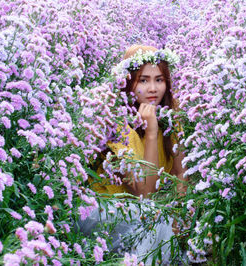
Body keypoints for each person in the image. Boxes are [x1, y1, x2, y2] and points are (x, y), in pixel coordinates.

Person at [79, 45, 187, 264]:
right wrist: (151, 131)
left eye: (159, 79)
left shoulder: (170, 115)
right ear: (127, 83)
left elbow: (180, 174)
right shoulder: (115, 121)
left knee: (165, 223)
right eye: (143, 80)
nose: (153, 88)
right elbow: (144, 193)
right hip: (101, 210)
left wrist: (181, 214)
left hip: (136, 212)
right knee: (156, 224)